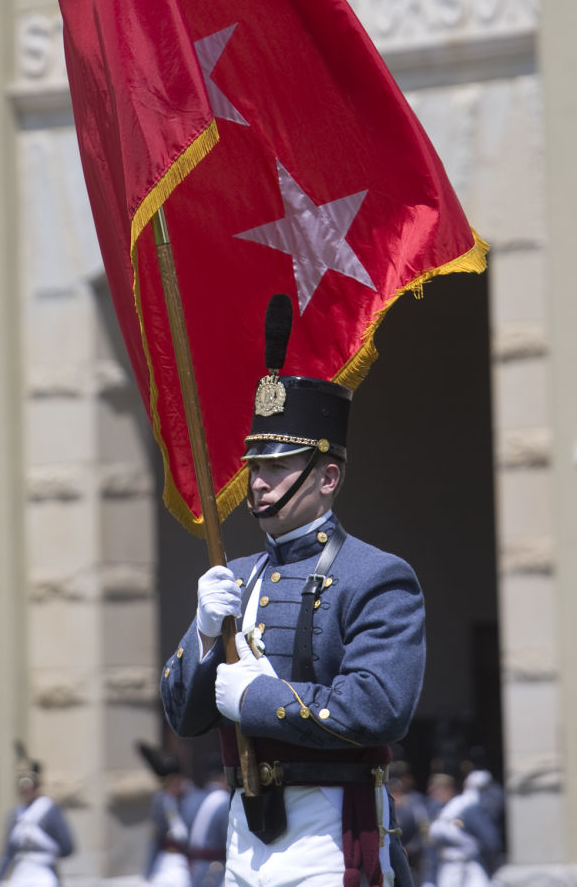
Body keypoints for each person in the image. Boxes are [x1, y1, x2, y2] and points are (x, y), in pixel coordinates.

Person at [159, 292, 426, 887]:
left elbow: (379, 707)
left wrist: (258, 699)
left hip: (331, 831)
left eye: (278, 467)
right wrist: (203, 636)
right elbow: (183, 717)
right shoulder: (244, 575)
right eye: (255, 466)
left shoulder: (375, 576)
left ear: (328, 476)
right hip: (243, 834)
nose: (258, 483)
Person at [0, 762, 74, 887]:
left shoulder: (50, 810)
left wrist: (46, 856)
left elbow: (67, 847)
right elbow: (8, 854)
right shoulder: (16, 815)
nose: (26, 792)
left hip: (45, 872)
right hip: (21, 873)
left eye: (29, 787)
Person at [139, 741, 203, 887]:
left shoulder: (194, 797)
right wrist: (147, 873)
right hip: (166, 861)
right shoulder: (161, 800)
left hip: (187, 861)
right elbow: (156, 838)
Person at [187, 769, 231, 887]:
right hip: (215, 869)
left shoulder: (196, 797)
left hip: (196, 867)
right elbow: (228, 841)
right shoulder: (225, 801)